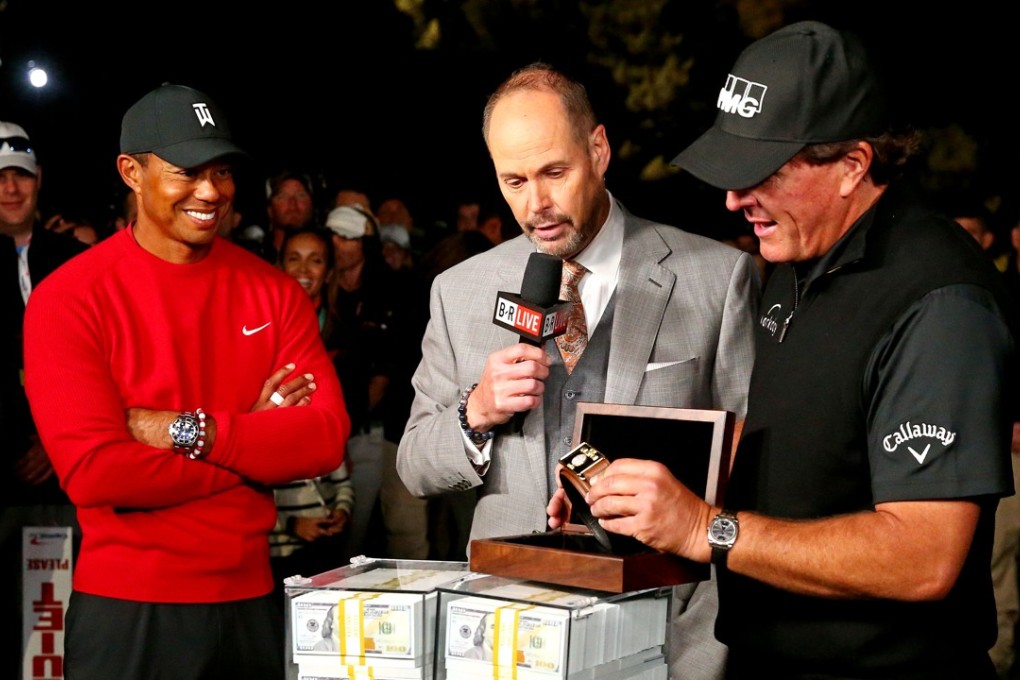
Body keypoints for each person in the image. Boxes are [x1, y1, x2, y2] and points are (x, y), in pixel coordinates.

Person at [551, 21, 1016, 678]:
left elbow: (924, 556)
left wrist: (702, 528)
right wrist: (621, 483)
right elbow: (799, 440)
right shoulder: (798, 257)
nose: (735, 199)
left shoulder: (941, 303)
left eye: (760, 174)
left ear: (853, 164)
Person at [396, 63, 759, 679]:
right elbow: (414, 466)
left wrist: (704, 655)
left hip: (664, 638)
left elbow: (751, 478)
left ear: (598, 149)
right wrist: (476, 413)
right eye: (513, 182)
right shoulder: (458, 292)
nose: (536, 204)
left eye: (554, 173)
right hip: (502, 642)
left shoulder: (716, 278)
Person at [22, 83, 350, 680]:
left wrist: (184, 431)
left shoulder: (273, 291)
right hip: (128, 611)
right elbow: (96, 472)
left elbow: (324, 438)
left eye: (221, 171)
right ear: (132, 171)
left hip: (252, 600)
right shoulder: (68, 299)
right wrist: (251, 440)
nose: (210, 191)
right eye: (186, 171)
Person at [0, 120, 89, 679]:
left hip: (69, 471)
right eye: (0, 177)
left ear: (39, 181)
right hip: (4, 474)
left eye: (21, 177)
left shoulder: (73, 257)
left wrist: (57, 444)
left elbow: (96, 362)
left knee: (60, 625)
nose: (11, 189)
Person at [269, 226, 356, 599]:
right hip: (277, 542)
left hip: (330, 467)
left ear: (329, 271)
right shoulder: (258, 331)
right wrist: (288, 524)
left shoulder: (345, 326)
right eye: (294, 258)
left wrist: (341, 505)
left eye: (316, 259)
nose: (304, 268)